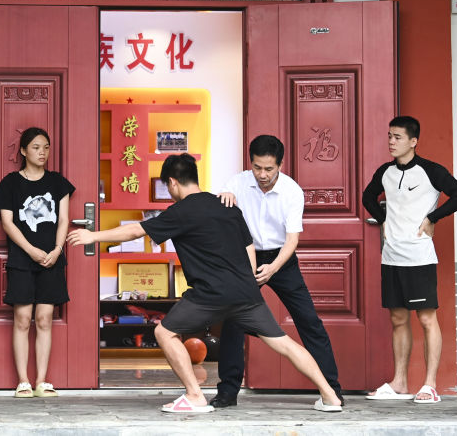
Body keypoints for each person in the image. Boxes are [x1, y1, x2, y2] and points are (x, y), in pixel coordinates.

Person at [68, 153, 343, 414]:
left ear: (172, 183)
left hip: (209, 295)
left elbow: (135, 230)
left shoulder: (180, 211)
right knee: (285, 344)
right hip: (245, 292)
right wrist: (247, 283)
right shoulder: (228, 207)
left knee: (164, 332)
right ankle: (330, 396)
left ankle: (194, 396)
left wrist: (93, 236)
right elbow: (248, 248)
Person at [211, 134, 343, 408]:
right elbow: (221, 212)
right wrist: (223, 196)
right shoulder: (237, 183)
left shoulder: (292, 191)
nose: (262, 174)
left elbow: (292, 240)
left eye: (268, 169)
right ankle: (227, 392)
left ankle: (331, 389)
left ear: (280, 165)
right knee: (233, 321)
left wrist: (273, 268)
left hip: (281, 260)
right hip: (245, 258)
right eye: (257, 167)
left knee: (309, 321)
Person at [361, 115, 457, 404]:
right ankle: (399, 382)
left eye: (397, 137)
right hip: (391, 256)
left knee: (427, 319)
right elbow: (367, 197)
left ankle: (430, 385)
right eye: (389, 136)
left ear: (413, 141)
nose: (391, 142)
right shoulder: (385, 172)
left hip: (419, 256)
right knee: (398, 319)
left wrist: (433, 218)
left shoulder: (431, 171)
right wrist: (383, 219)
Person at [0, 126, 74, 398]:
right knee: (22, 319)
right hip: (22, 259)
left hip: (51, 259)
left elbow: (63, 219)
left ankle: (41, 381)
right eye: (36, 147)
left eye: (46, 147)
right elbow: (7, 223)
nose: (42, 152)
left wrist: (57, 249)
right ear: (24, 151)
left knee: (44, 319)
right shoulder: (10, 183)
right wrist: (30, 250)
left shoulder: (58, 183)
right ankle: (23, 381)